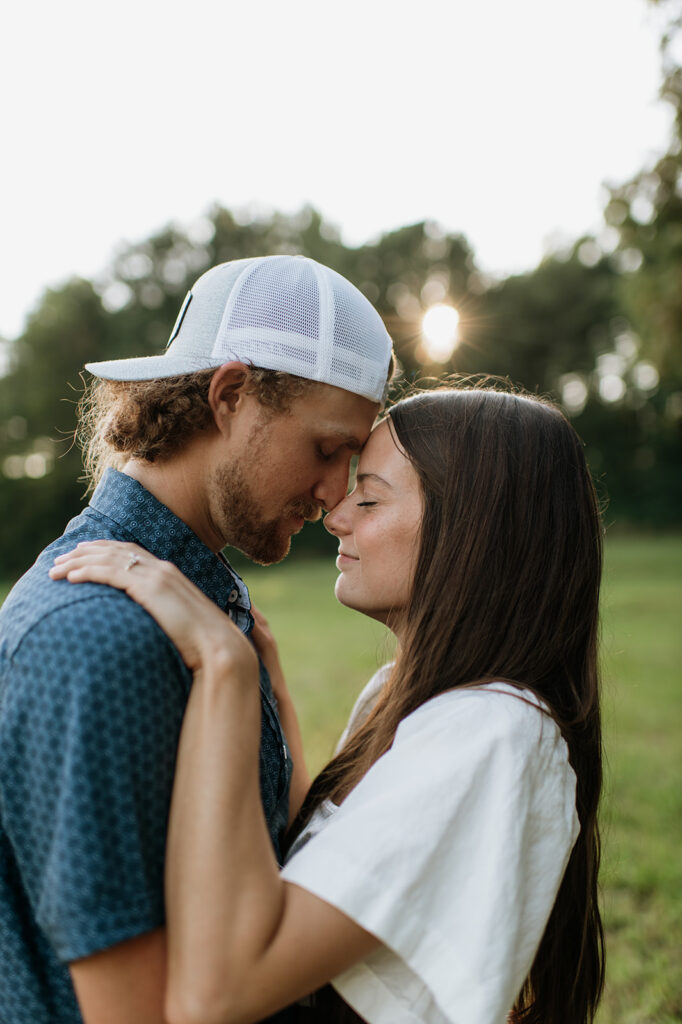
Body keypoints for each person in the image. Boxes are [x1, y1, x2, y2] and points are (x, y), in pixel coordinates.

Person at [50, 385, 606, 1024]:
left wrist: (224, 671)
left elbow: (217, 996)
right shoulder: (406, 695)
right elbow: (327, 868)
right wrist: (273, 689)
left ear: (477, 535)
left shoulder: (495, 733)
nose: (336, 513)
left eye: (368, 497)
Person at [0, 254, 394, 1024]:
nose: (334, 493)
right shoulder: (95, 640)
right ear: (230, 395)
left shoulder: (205, 599)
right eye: (325, 450)